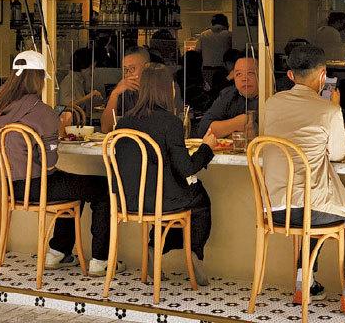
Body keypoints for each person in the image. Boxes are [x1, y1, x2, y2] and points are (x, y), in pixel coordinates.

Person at [261, 44, 345, 314]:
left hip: (274, 207)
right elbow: (336, 154)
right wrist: (334, 108)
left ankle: (305, 283)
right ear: (324, 75)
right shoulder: (328, 110)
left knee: (315, 208)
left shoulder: (271, 103)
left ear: (290, 75)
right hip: (308, 207)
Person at [0, 50, 115, 275]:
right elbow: (50, 162)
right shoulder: (43, 112)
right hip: (38, 186)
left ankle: (59, 252)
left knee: (73, 187)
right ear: (38, 79)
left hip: (11, 186)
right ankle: (100, 260)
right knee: (103, 187)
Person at [114, 63, 219, 284]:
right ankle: (194, 251)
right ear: (167, 89)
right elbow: (186, 168)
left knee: (170, 202)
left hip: (128, 201)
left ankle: (156, 245)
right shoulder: (171, 123)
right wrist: (206, 147)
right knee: (198, 199)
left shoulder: (123, 123)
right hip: (161, 201)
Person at [198, 56, 260, 138]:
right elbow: (203, 130)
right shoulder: (229, 94)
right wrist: (235, 124)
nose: (244, 79)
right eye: (239, 74)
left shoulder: (270, 97)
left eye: (250, 73)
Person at [101, 46, 151, 133]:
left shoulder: (157, 91)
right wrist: (114, 94)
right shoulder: (123, 92)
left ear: (146, 68)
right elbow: (106, 128)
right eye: (125, 70)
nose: (127, 74)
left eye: (132, 69)